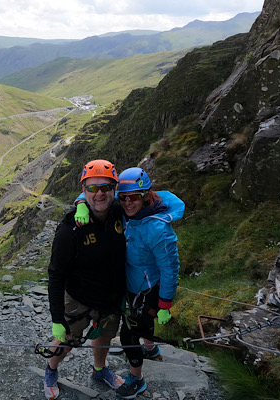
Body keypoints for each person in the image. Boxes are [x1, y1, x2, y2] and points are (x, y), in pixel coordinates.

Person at [75, 167, 183, 399]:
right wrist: (81, 203)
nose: (127, 202)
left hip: (147, 290)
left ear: (145, 194)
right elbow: (95, 193)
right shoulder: (127, 212)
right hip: (133, 284)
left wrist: (165, 304)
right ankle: (151, 348)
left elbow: (170, 269)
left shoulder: (158, 229)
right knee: (142, 323)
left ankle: (137, 379)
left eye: (133, 197)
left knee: (128, 336)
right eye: (123, 197)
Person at [44, 159, 127, 400]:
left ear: (115, 188)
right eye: (92, 188)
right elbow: (56, 274)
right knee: (67, 339)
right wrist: (57, 318)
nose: (99, 193)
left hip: (112, 296)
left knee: (105, 335)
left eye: (105, 187)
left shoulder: (121, 211)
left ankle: (99, 370)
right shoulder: (70, 228)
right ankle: (50, 370)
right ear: (83, 190)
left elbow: (159, 201)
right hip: (79, 298)